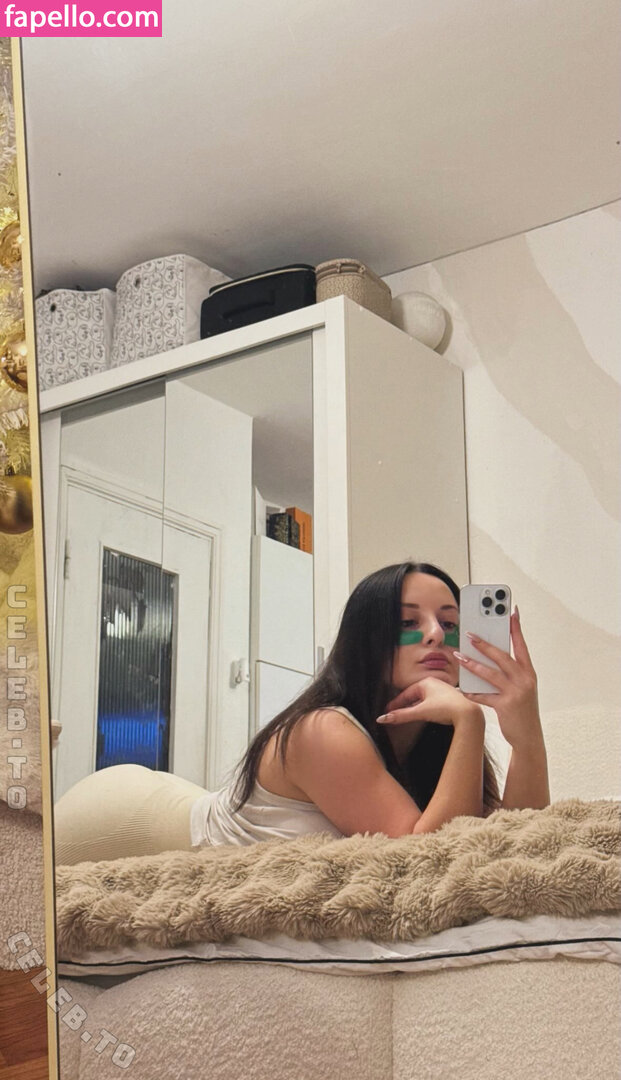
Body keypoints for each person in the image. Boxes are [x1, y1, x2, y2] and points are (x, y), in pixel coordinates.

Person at [54, 561, 550, 865]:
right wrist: (470, 720)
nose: (437, 634)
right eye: (407, 622)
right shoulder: (325, 730)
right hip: (121, 825)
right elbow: (431, 862)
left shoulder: (436, 739)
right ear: (366, 640)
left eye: (450, 622)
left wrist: (525, 733)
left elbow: (511, 842)